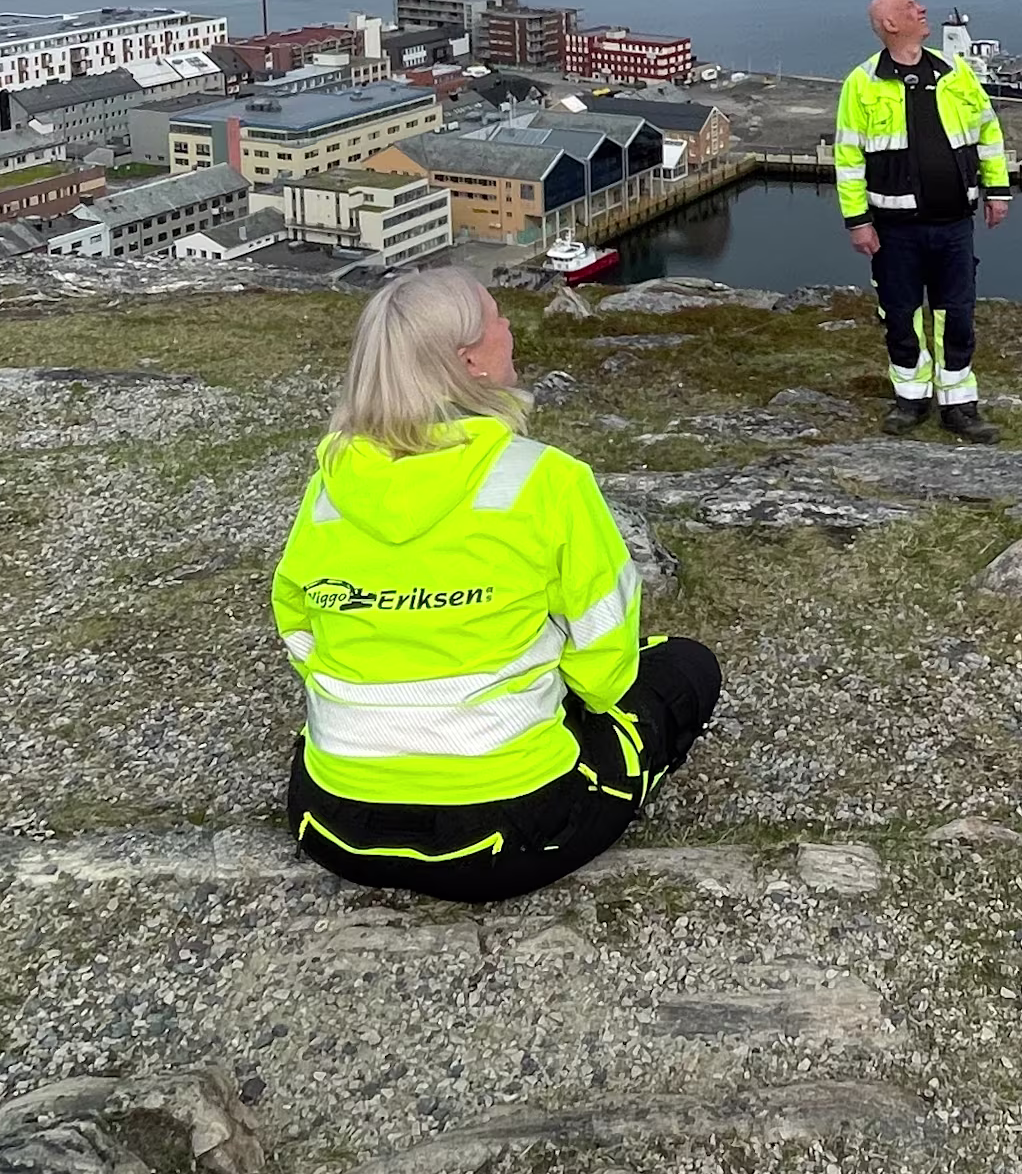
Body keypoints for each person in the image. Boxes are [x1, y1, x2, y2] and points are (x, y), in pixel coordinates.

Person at [271, 265, 719, 902]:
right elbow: (604, 669)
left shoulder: (329, 487)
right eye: (496, 319)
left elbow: (297, 626)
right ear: (469, 362)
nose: (510, 327)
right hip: (501, 837)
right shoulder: (546, 481)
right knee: (684, 668)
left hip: (334, 825)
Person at [833, 0, 1012, 440]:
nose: (922, 9)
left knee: (958, 314)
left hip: (953, 224)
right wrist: (858, 222)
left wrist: (998, 191)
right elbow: (849, 158)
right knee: (901, 315)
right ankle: (910, 401)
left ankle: (959, 406)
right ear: (891, 24)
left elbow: (987, 130)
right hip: (895, 230)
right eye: (911, 7)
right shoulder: (863, 83)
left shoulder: (956, 71)